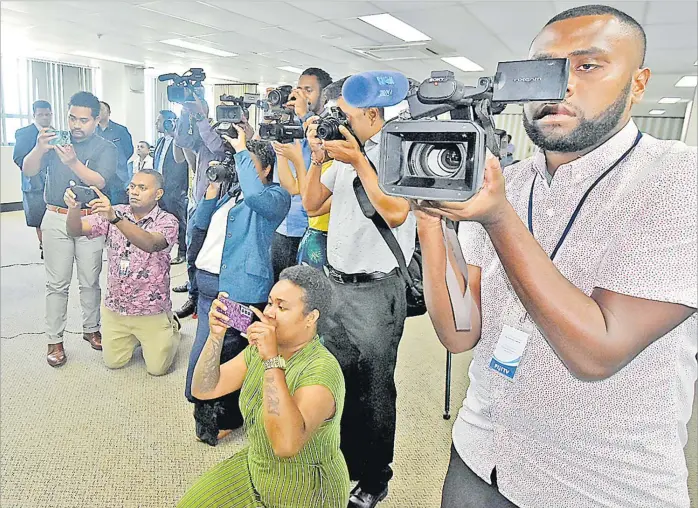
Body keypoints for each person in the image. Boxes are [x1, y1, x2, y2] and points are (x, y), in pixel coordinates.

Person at [414, 5, 697, 508]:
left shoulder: (679, 180)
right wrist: (430, 215)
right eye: (543, 69)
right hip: (480, 455)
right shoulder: (510, 180)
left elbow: (597, 351)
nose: (560, 85)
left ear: (638, 82)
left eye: (587, 66)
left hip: (599, 485)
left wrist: (499, 219)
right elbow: (459, 332)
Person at [304, 86, 416, 507]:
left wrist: (358, 160)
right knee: (338, 378)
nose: (339, 122)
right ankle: (343, 462)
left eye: (345, 115)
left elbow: (396, 211)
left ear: (371, 114)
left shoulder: (399, 153)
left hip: (377, 292)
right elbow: (313, 203)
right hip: (336, 286)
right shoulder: (349, 155)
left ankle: (373, 479)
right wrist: (318, 160)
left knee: (373, 391)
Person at [178, 265, 349, 507]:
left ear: (311, 318)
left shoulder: (321, 371)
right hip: (258, 466)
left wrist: (271, 362)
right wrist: (215, 336)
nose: (268, 313)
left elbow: (285, 445)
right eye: (270, 302)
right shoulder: (258, 350)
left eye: (282, 307)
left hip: (305, 488)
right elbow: (204, 389)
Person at [185, 125, 291, 446]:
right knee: (207, 352)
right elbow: (198, 226)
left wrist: (243, 148)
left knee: (230, 355)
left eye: (247, 161)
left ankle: (224, 418)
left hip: (239, 289)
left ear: (266, 168)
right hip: (207, 286)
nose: (239, 165)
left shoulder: (275, 196)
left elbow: (258, 196)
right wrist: (210, 193)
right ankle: (210, 411)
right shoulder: (231, 194)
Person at [21, 91, 118, 367]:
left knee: (90, 280)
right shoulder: (55, 141)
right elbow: (29, 170)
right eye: (72, 118)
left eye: (84, 120)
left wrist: (72, 162)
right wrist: (40, 148)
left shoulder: (105, 147)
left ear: (96, 119)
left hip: (90, 219)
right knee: (56, 284)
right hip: (55, 217)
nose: (76, 125)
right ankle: (55, 340)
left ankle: (91, 329)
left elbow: (100, 180)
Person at [64, 170, 181, 375]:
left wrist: (115, 219)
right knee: (113, 363)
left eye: (142, 188)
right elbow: (76, 230)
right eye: (133, 186)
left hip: (150, 309)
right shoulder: (117, 210)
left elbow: (151, 243)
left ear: (159, 194)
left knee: (157, 369)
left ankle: (171, 326)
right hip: (116, 309)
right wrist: (74, 209)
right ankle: (135, 337)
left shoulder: (168, 221)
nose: (134, 192)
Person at [173, 96, 254, 318]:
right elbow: (183, 142)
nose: (227, 116)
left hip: (226, 203)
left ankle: (226, 309)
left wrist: (201, 118)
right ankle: (195, 294)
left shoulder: (243, 135)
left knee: (221, 256)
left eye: (232, 111)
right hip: (201, 200)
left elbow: (219, 149)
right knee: (194, 252)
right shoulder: (209, 127)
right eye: (223, 111)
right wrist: (185, 114)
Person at [271, 67, 332, 281]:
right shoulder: (290, 122)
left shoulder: (328, 126)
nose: (302, 95)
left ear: (323, 95)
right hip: (281, 221)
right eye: (299, 89)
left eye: (309, 90)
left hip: (308, 226)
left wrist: (306, 115)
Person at [13, 100, 53, 258]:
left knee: (54, 217)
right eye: (41, 115)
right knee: (38, 217)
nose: (45, 118)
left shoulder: (56, 133)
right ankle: (44, 246)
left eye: (48, 114)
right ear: (34, 115)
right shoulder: (24, 133)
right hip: (34, 182)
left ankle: (52, 244)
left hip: (53, 182)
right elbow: (18, 158)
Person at [154, 110, 189, 265]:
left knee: (179, 221)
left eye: (159, 120)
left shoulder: (179, 142)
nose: (156, 123)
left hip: (176, 189)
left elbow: (183, 164)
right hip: (159, 188)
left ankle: (182, 251)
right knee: (161, 220)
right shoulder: (160, 142)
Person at [97, 101, 133, 205]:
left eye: (101, 109)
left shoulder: (120, 130)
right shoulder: (93, 131)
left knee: (118, 207)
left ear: (109, 112)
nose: (98, 112)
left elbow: (128, 150)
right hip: (99, 174)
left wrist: (119, 162)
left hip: (118, 174)